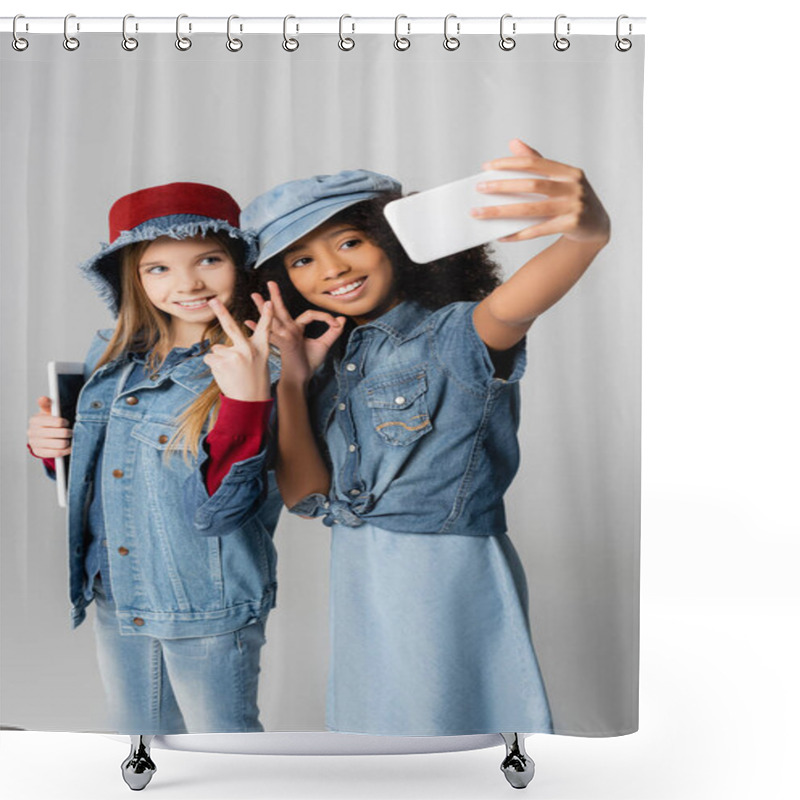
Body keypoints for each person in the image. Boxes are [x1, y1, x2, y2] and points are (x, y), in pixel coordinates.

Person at [241, 139, 610, 736]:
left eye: (350, 242)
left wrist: (587, 234)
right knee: (375, 737)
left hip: (447, 563)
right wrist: (293, 379)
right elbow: (306, 499)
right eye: (302, 261)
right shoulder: (325, 365)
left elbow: (516, 307)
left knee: (459, 733)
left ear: (393, 242)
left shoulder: (454, 335)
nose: (331, 269)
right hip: (360, 569)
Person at [26, 182, 281, 734]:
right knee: (139, 747)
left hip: (202, 604)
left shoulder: (259, 364)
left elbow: (220, 512)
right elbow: (111, 471)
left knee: (228, 756)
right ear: (134, 280)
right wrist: (52, 449)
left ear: (238, 262)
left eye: (208, 260)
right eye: (157, 268)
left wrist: (245, 402)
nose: (187, 283)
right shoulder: (113, 355)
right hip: (116, 587)